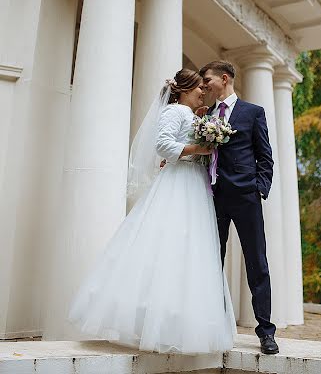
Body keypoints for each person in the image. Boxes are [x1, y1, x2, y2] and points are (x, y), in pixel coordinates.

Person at [68, 69, 236, 354]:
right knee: (167, 243)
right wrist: (200, 148)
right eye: (198, 88)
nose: (202, 92)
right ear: (184, 89)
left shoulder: (192, 114)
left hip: (194, 183)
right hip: (178, 183)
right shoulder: (174, 112)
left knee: (190, 249)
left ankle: (176, 324)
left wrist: (202, 143)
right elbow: (163, 144)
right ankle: (151, 324)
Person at [199, 60, 279, 355]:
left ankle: (266, 332)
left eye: (207, 79)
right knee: (210, 262)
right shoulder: (206, 115)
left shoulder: (253, 113)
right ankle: (211, 326)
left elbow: (265, 156)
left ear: (224, 78)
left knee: (257, 263)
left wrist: (259, 187)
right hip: (213, 197)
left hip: (246, 197)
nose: (204, 84)